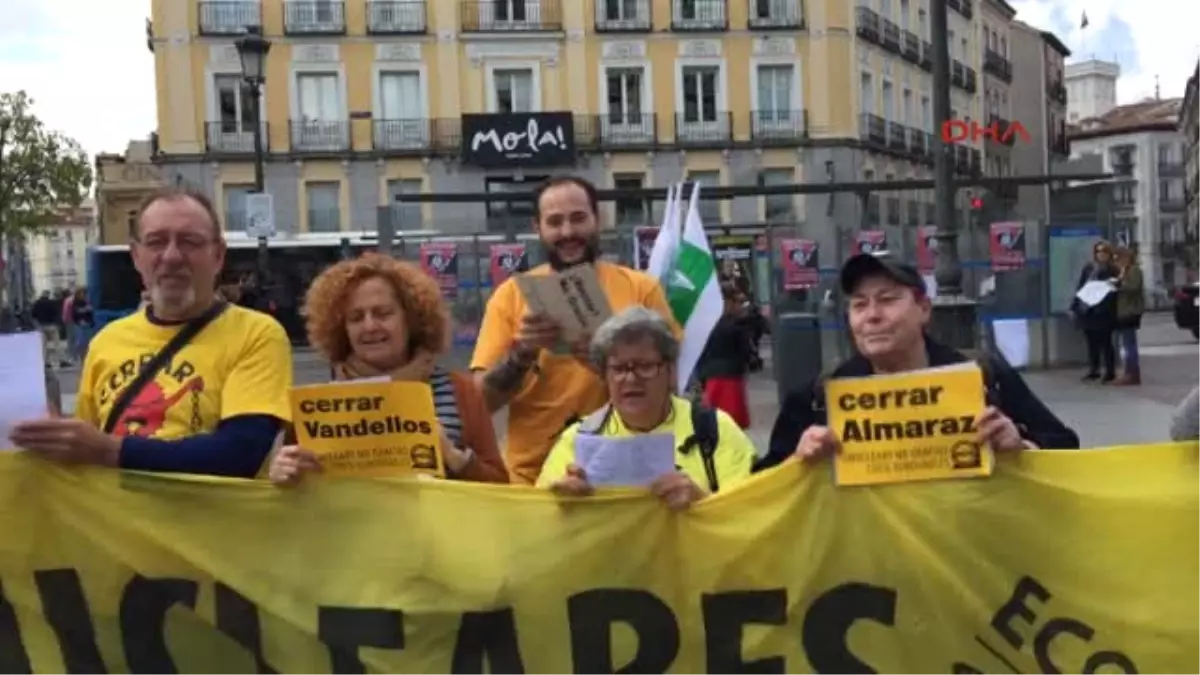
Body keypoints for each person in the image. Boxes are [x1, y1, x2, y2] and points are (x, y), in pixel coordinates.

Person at [9, 187, 293, 478]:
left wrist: (109, 450)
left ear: (218, 255)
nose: (171, 256)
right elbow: (87, 460)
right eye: (156, 242)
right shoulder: (106, 342)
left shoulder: (257, 334)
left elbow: (240, 454)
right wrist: (53, 438)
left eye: (190, 242)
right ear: (136, 255)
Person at [759, 252, 1080, 470]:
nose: (872, 316)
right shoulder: (819, 397)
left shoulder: (981, 375)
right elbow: (761, 487)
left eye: (887, 300)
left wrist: (1021, 447)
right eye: (859, 305)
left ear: (923, 309)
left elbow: (1067, 449)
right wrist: (798, 464)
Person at [471, 176, 677, 485]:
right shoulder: (510, 296)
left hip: (623, 474)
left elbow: (673, 387)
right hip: (532, 478)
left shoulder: (641, 290)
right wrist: (520, 355)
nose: (567, 232)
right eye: (554, 222)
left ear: (598, 219)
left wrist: (605, 362)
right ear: (537, 227)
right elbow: (480, 405)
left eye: (578, 218)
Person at [268, 253, 508, 485]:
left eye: (383, 314)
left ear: (411, 319)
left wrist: (455, 458)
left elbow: (499, 487)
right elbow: (295, 494)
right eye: (356, 318)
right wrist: (283, 474)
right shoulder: (316, 409)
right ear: (342, 329)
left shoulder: (460, 391)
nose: (370, 326)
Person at [538, 307, 756, 510]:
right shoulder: (576, 439)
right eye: (619, 368)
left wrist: (701, 502)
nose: (631, 379)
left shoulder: (715, 430)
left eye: (645, 366)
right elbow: (540, 525)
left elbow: (748, 521)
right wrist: (562, 506)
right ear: (605, 377)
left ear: (671, 372)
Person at [697, 282, 754, 429]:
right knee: (732, 424)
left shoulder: (707, 324)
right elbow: (746, 354)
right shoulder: (736, 327)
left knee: (713, 422)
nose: (740, 306)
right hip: (731, 379)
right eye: (737, 302)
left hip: (711, 380)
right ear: (727, 302)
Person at [1072, 240, 1118, 383]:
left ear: (1109, 254)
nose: (1101, 254)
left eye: (1104, 251)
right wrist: (1075, 305)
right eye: (1098, 251)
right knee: (1091, 342)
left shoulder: (1113, 270)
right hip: (1088, 310)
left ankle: (1110, 371)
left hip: (1104, 312)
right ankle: (1094, 369)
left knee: (1105, 342)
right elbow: (1081, 286)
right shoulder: (1089, 268)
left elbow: (1114, 290)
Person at [1112, 246, 1144, 386]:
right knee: (1126, 343)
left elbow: (1133, 287)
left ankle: (1132, 373)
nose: (1117, 262)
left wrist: (1118, 286)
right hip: (1123, 311)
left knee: (1129, 343)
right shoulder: (1123, 271)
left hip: (1131, 311)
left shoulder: (1134, 270)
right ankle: (1128, 372)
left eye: (1119, 258)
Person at [69, 287, 94, 362]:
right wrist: (85, 310)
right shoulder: (76, 302)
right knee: (80, 342)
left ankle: (87, 357)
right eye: (82, 293)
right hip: (80, 324)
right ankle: (79, 356)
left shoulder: (87, 301)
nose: (83, 295)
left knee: (88, 342)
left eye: (84, 293)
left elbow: (90, 311)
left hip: (88, 324)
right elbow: (76, 312)